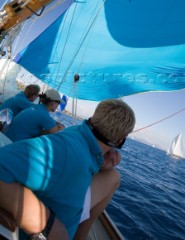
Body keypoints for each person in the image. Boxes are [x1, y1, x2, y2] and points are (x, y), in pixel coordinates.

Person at [0, 99, 135, 240]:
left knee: (113, 176)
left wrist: (99, 163)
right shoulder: (65, 151)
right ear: (120, 140)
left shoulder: (78, 134)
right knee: (113, 178)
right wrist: (45, 223)